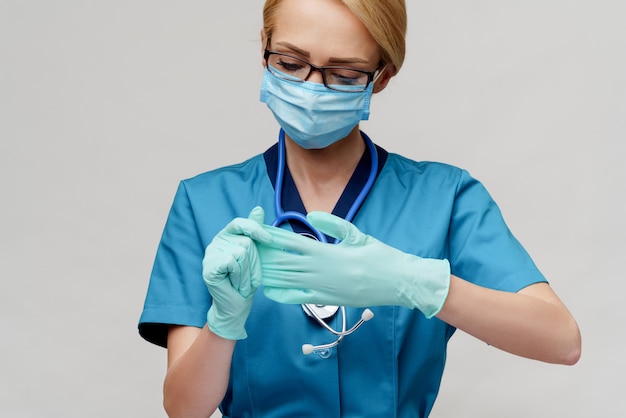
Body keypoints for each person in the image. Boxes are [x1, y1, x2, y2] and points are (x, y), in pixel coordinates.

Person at [138, 0, 582, 416]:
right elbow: (184, 408)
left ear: (382, 77)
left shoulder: (445, 198)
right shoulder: (203, 202)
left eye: (344, 74)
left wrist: (416, 282)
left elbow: (560, 340)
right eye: (290, 64)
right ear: (264, 50)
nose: (311, 89)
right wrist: (223, 322)